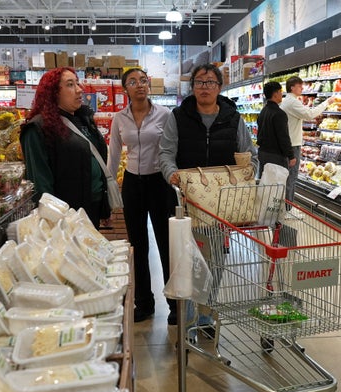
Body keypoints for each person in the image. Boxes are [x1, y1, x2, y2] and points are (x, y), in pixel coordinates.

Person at [158, 63, 257, 334]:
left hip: (221, 205)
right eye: (200, 82)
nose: (205, 87)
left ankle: (206, 315)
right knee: (186, 259)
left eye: (211, 82)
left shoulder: (233, 118)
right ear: (192, 87)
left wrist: (249, 171)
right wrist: (170, 173)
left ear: (219, 87)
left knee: (215, 261)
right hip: (186, 202)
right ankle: (188, 315)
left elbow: (249, 153)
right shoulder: (178, 117)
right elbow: (166, 152)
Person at [109, 68, 174, 323]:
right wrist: (110, 186)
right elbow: (114, 153)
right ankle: (144, 303)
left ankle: (174, 304)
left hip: (159, 182)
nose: (139, 85)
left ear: (149, 85)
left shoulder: (164, 114)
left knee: (166, 244)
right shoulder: (119, 118)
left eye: (143, 81)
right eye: (133, 82)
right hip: (132, 184)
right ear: (125, 88)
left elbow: (171, 149)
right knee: (137, 245)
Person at [20, 67, 109, 229]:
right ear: (53, 93)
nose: (79, 89)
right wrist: (54, 221)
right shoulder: (38, 128)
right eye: (70, 84)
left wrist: (104, 206)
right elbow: (40, 183)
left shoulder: (84, 120)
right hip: (65, 217)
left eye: (77, 83)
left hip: (91, 207)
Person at [280, 76, 335, 205]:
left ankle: (285, 205)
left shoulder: (287, 101)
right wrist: (327, 102)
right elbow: (310, 115)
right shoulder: (292, 102)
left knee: (288, 177)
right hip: (292, 145)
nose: (302, 88)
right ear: (292, 87)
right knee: (291, 177)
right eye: (299, 86)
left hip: (289, 143)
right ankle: (287, 207)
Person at [256, 81, 295, 178]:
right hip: (275, 157)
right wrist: (291, 156)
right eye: (280, 91)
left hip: (263, 153)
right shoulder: (279, 114)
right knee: (277, 184)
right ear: (275, 94)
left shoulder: (263, 111)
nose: (282, 94)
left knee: (265, 183)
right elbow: (283, 137)